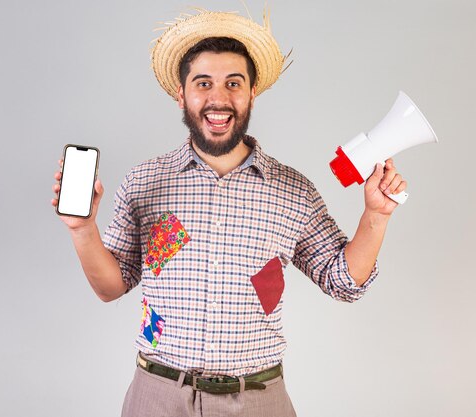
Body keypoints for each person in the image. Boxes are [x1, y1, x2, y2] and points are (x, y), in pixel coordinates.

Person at [51, 10, 406, 417]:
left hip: (258, 400)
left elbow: (344, 280)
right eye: (203, 83)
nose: (218, 98)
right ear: (180, 94)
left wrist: (375, 216)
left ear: (252, 92)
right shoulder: (144, 182)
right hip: (157, 396)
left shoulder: (293, 190)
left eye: (233, 83)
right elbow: (110, 286)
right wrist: (82, 229)